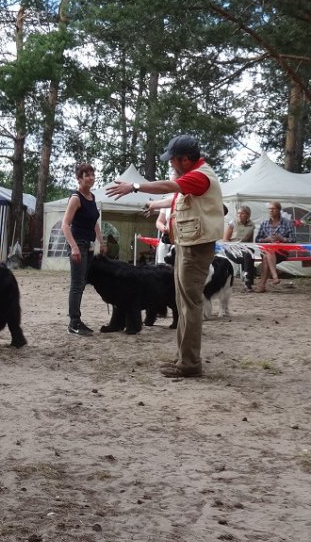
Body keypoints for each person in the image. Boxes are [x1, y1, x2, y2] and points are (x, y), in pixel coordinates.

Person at [107, 134, 224, 378]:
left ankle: (190, 363)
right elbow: (175, 197)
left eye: (172, 160)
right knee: (183, 303)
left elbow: (170, 187)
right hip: (189, 243)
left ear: (184, 160)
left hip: (195, 246)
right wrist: (155, 205)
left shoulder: (199, 176)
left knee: (189, 304)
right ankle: (184, 357)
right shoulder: (196, 175)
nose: (170, 163)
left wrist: (135, 187)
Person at [61, 162, 105, 335]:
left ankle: (77, 319)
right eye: (87, 175)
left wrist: (101, 241)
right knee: (77, 284)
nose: (91, 178)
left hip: (89, 245)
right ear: (79, 179)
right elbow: (65, 225)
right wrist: (74, 247)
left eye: (93, 174)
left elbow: (94, 222)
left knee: (82, 282)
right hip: (77, 243)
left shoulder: (92, 198)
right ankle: (74, 322)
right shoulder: (76, 198)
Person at [254, 200, 295, 293]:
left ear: (279, 210)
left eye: (273, 209)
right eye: (269, 209)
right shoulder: (264, 223)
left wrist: (282, 239)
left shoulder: (287, 223)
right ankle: (274, 277)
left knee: (266, 256)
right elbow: (257, 239)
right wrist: (267, 239)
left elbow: (293, 239)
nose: (271, 211)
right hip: (268, 250)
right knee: (268, 252)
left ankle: (262, 285)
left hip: (282, 251)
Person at [223, 204, 256, 291]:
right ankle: (248, 279)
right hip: (232, 248)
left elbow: (250, 241)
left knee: (249, 252)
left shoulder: (251, 225)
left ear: (247, 215)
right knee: (248, 257)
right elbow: (225, 239)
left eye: (242, 213)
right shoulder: (232, 223)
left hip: (244, 248)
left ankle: (247, 280)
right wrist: (234, 246)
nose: (239, 215)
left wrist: (247, 247)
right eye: (238, 213)